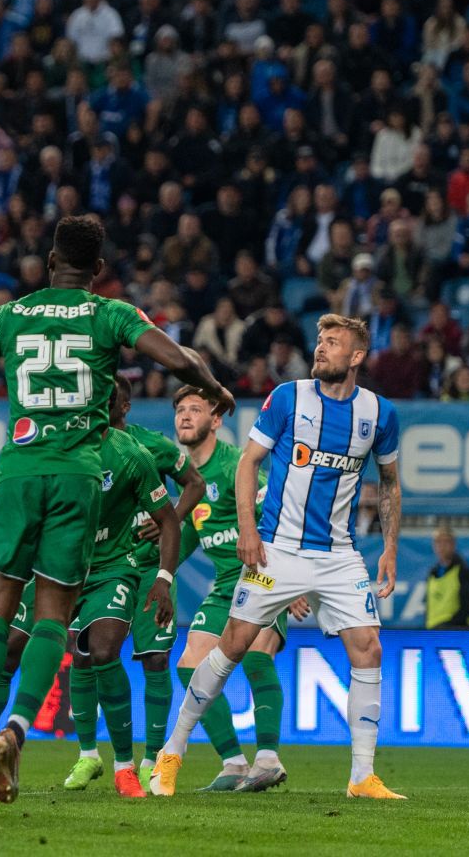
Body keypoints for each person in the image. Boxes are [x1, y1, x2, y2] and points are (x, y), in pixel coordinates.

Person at [0, 215, 234, 804]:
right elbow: (176, 360)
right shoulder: (111, 313)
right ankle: (15, 732)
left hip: (19, 471)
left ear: (49, 261)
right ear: (98, 269)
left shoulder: (7, 315)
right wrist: (216, 388)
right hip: (78, 475)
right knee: (54, 612)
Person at [151, 314, 405, 801]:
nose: (321, 348)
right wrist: (249, 530)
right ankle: (173, 751)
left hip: (339, 554)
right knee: (232, 645)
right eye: (320, 340)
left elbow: (390, 483)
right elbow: (249, 462)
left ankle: (362, 777)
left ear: (356, 356)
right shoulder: (288, 397)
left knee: (369, 648)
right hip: (279, 549)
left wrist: (390, 548)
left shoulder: (379, 413)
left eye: (333, 342)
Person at [169, 384, 293, 793]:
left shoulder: (236, 465)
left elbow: (275, 515)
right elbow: (188, 535)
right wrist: (156, 573)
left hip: (263, 574)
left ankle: (268, 759)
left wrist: (293, 580)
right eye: (180, 409)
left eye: (195, 408)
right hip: (226, 583)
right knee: (190, 664)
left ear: (216, 420)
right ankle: (235, 763)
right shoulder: (189, 479)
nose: (185, 415)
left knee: (257, 654)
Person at [60, 413, 181, 799]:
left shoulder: (140, 450)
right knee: (79, 653)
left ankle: (140, 762)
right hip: (74, 569)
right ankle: (88, 755)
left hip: (126, 567)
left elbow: (187, 493)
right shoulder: (59, 443)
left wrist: (164, 576)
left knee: (135, 655)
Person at [107, 376, 205, 787]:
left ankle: (151, 758)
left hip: (150, 567)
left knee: (156, 659)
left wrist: (171, 520)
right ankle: (91, 754)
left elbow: (196, 483)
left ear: (124, 406)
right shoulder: (84, 448)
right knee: (95, 654)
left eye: (108, 398)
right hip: (106, 566)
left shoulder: (152, 445)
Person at [425, 526, 469, 629]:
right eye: (438, 542)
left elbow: (467, 606)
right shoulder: (433, 572)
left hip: (455, 630)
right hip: (433, 629)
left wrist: (450, 625)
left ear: (453, 544)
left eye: (446, 542)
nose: (441, 547)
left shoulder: (463, 571)